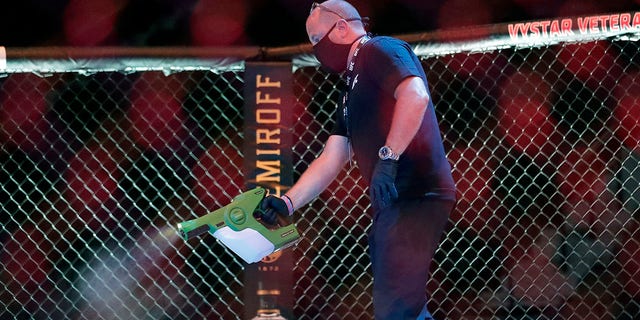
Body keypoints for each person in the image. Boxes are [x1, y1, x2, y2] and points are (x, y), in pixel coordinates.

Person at [259, 1, 456, 319]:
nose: (315, 49)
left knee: (396, 308)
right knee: (402, 307)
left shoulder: (379, 49)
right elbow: (333, 155)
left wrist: (388, 157)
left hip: (416, 193)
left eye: (316, 38)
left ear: (340, 27)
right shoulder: (350, 86)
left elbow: (415, 95)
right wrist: (287, 203)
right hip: (393, 200)